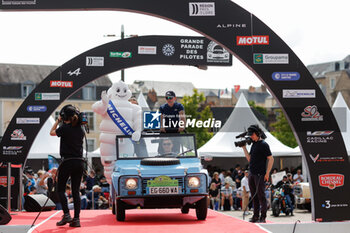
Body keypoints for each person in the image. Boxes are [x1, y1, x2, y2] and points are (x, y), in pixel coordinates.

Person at [50, 105, 85, 227]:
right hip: (79, 162)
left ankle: (66, 215)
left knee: (60, 189)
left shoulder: (64, 128)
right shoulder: (81, 129)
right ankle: (76, 220)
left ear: (64, 117)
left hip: (67, 161)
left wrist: (58, 121)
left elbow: (51, 132)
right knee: (75, 191)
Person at [241, 124, 274, 223]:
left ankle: (263, 217)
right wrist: (244, 148)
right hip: (252, 173)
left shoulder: (264, 144)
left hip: (260, 174)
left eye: (252, 134)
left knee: (261, 196)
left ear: (257, 134)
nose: (251, 136)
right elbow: (250, 159)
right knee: (254, 196)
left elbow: (271, 159)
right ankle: (255, 216)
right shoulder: (254, 144)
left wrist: (267, 173)